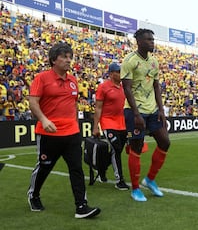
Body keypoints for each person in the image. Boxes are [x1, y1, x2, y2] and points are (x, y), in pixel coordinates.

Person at [27, 42, 101, 219]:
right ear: (54, 60)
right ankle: (34, 195)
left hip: (72, 133)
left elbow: (73, 106)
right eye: (64, 57)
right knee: (44, 167)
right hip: (48, 134)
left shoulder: (73, 80)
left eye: (70, 57)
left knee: (77, 169)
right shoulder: (42, 78)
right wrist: (43, 120)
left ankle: (81, 207)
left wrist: (76, 126)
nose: (69, 60)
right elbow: (33, 102)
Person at [121, 28, 170, 202]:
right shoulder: (129, 61)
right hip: (134, 111)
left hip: (152, 110)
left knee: (165, 142)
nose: (152, 42)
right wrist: (136, 114)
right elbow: (126, 88)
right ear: (139, 42)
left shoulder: (154, 61)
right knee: (136, 147)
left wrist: (161, 110)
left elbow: (156, 86)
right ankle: (135, 189)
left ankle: (149, 179)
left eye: (153, 39)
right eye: (149, 40)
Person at [92, 62, 129, 190]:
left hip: (122, 123)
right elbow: (98, 108)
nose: (121, 74)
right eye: (118, 72)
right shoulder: (103, 87)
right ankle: (120, 180)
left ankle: (101, 169)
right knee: (117, 148)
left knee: (116, 150)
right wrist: (96, 127)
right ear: (112, 73)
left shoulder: (124, 86)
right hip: (108, 122)